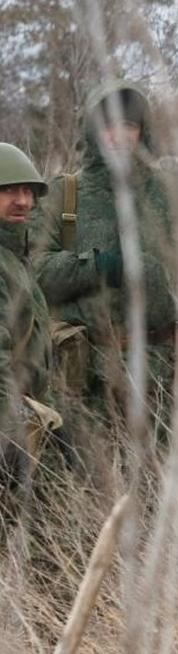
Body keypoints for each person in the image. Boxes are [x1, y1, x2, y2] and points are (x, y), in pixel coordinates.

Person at [31, 80, 178, 432]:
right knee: (88, 486)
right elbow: (33, 275)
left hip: (162, 375)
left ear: (142, 132)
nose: (120, 136)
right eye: (109, 126)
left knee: (165, 484)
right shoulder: (64, 195)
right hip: (82, 379)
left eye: (130, 125)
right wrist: (99, 266)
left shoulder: (177, 196)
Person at [0, 143, 56, 509]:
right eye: (8, 191)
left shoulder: (15, 257)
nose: (22, 201)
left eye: (27, 191)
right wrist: (11, 435)